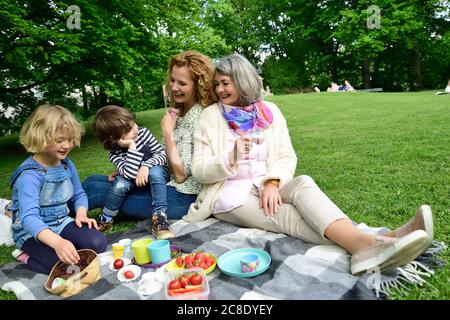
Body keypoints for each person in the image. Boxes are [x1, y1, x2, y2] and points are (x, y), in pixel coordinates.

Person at [183, 53, 433, 275]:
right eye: (217, 84)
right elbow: (199, 169)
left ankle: (371, 246)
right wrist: (230, 158)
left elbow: (286, 155)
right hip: (230, 195)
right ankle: (380, 241)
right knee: (292, 218)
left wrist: (272, 181)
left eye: (226, 83)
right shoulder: (210, 117)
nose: (220, 90)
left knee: (303, 183)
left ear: (242, 81)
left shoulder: (268, 112)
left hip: (265, 183)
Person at [82, 51, 216, 226]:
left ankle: (48, 219)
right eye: (173, 80)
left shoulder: (201, 117)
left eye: (182, 83)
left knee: (95, 189)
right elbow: (160, 158)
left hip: (183, 197)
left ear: (199, 85)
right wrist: (131, 169)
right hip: (163, 182)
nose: (174, 87)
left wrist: (168, 134)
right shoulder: (181, 111)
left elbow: (181, 176)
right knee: (93, 180)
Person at [9, 104, 107, 275]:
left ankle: (63, 245)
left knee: (97, 243)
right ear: (40, 137)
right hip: (31, 232)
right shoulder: (29, 175)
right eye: (60, 140)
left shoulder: (67, 165)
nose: (67, 145)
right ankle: (25, 256)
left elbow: (79, 194)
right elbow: (29, 218)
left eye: (70, 139)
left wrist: (81, 214)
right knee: (66, 268)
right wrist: (58, 243)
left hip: (61, 221)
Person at [92, 105, 173, 239]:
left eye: (134, 123)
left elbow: (162, 155)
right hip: (135, 179)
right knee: (119, 183)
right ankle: (106, 219)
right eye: (130, 129)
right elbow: (129, 174)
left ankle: (160, 217)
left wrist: (146, 166)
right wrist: (131, 146)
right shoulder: (115, 154)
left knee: (155, 172)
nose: (136, 128)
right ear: (115, 139)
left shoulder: (144, 133)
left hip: (157, 171)